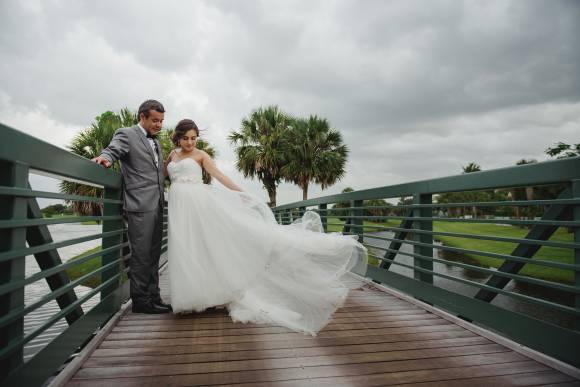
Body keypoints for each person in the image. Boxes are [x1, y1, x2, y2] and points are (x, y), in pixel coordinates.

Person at [165, 118, 367, 335]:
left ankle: (212, 294)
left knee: (204, 246)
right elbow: (164, 179)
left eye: (194, 138)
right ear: (178, 137)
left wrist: (242, 193)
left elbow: (219, 176)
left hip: (199, 206)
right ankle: (189, 297)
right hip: (178, 206)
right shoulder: (172, 156)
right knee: (186, 249)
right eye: (186, 138)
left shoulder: (201, 155)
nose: (190, 142)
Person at [92, 100, 172, 314]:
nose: (159, 125)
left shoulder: (156, 141)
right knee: (141, 255)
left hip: (157, 203)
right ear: (142, 117)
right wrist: (105, 158)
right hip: (139, 205)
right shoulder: (126, 133)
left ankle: (154, 297)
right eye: (155, 120)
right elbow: (113, 149)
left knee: (153, 253)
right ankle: (141, 302)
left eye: (162, 121)